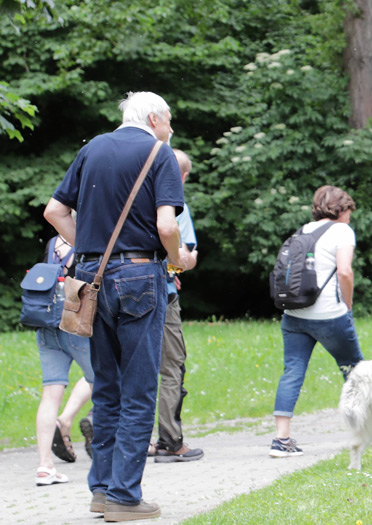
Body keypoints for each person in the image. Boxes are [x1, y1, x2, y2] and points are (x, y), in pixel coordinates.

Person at [44, 91, 192, 521]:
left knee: (106, 389)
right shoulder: (158, 153)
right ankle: (125, 499)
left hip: (89, 279)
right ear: (152, 118)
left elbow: (55, 210)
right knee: (140, 389)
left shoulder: (92, 148)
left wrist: (89, 248)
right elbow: (167, 224)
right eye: (169, 120)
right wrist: (178, 257)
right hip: (139, 277)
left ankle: (102, 492)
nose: (171, 128)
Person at [272, 185, 363, 458]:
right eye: (348, 210)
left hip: (294, 314)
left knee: (292, 371)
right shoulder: (342, 231)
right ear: (341, 209)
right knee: (355, 370)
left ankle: (281, 439)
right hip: (329, 315)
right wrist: (348, 303)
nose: (349, 216)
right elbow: (345, 271)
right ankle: (367, 429)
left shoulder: (303, 230)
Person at [148, 149, 203, 463]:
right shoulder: (174, 203)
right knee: (172, 366)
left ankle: (106, 424)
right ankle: (170, 441)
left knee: (126, 362)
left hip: (119, 287)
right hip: (162, 293)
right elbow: (182, 256)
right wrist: (181, 265)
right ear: (180, 176)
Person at [33, 234, 94, 486]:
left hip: (46, 325)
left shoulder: (52, 243)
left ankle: (45, 466)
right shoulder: (86, 241)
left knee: (50, 394)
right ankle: (106, 449)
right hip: (74, 323)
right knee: (105, 378)